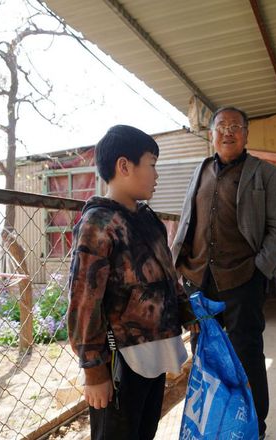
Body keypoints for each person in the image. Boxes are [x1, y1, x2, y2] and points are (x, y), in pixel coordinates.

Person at [67, 125, 197, 440]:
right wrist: (94, 370)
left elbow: (167, 274)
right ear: (125, 166)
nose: (156, 174)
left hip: (153, 356)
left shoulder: (148, 220)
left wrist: (188, 315)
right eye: (151, 164)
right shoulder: (98, 224)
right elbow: (84, 301)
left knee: (144, 431)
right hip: (120, 360)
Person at [171, 106, 276, 439]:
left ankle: (255, 427)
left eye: (235, 126)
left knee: (247, 353)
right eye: (221, 126)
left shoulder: (266, 174)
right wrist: (180, 267)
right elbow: (186, 221)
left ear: (246, 135)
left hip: (242, 280)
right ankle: (216, 422)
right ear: (211, 134)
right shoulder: (201, 170)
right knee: (205, 354)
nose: (228, 132)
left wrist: (259, 270)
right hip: (199, 279)